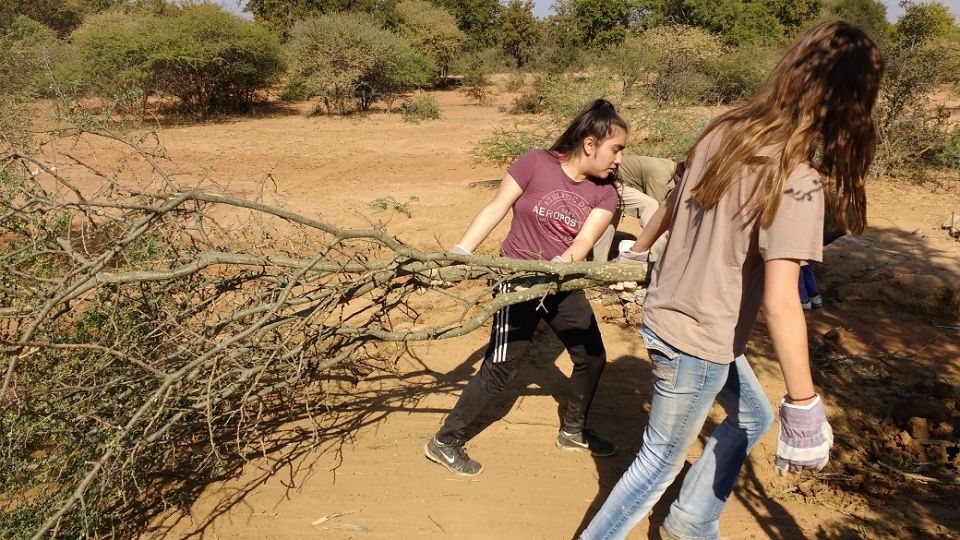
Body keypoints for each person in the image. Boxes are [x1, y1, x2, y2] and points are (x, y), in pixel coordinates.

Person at [581, 20, 883, 539]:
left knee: (752, 418)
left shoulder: (728, 127)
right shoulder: (798, 178)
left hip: (674, 318)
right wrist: (805, 403)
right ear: (850, 99)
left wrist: (643, 248)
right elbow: (783, 301)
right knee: (657, 465)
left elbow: (674, 202)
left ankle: (691, 520)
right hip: (698, 343)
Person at [424, 99, 629, 476]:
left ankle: (573, 431)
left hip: (562, 282)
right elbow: (496, 207)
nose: (619, 159)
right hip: (516, 280)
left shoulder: (606, 194)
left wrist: (555, 269)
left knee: (592, 356)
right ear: (589, 144)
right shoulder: (535, 162)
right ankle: (445, 441)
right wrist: (461, 251)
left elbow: (582, 244)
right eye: (615, 149)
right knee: (502, 365)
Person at [591, 156, 679, 263]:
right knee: (650, 206)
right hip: (610, 183)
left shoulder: (671, 170)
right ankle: (656, 261)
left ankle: (598, 263)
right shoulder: (660, 175)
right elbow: (656, 215)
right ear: (679, 175)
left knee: (609, 220)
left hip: (618, 185)